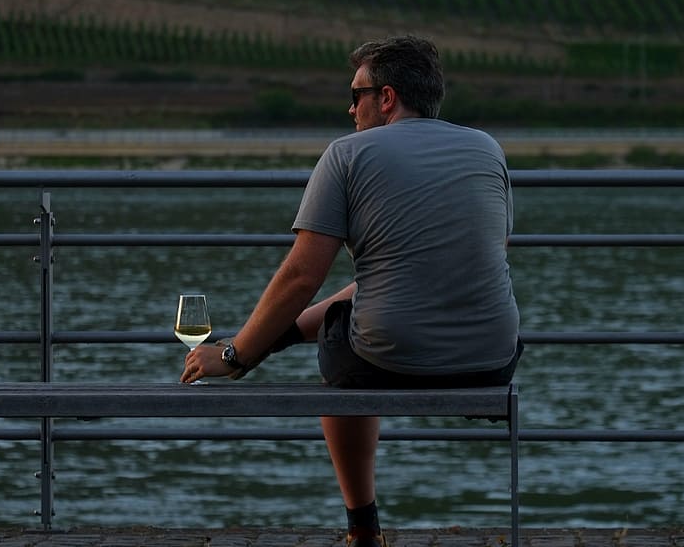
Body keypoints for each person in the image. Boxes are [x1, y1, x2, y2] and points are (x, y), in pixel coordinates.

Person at [181, 34, 522, 547]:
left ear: (386, 99)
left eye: (356, 94)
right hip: (494, 358)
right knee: (361, 313)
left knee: (341, 362)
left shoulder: (347, 155)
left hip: (391, 358)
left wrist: (235, 354)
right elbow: (473, 258)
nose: (349, 107)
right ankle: (276, 338)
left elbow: (302, 275)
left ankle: (363, 528)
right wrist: (269, 337)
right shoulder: (487, 148)